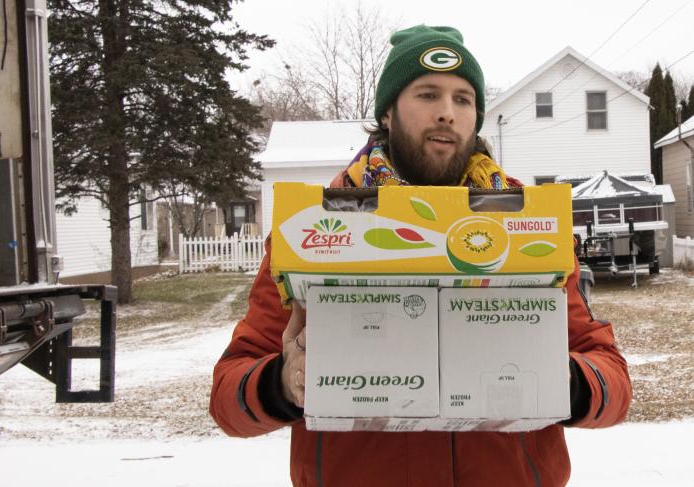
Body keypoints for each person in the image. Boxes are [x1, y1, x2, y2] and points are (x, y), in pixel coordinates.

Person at [209, 25, 632, 487]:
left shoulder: (529, 226)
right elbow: (229, 397)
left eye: (463, 99)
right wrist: (280, 384)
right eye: (427, 94)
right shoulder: (313, 228)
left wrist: (567, 383)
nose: (447, 113)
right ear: (387, 112)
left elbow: (611, 377)